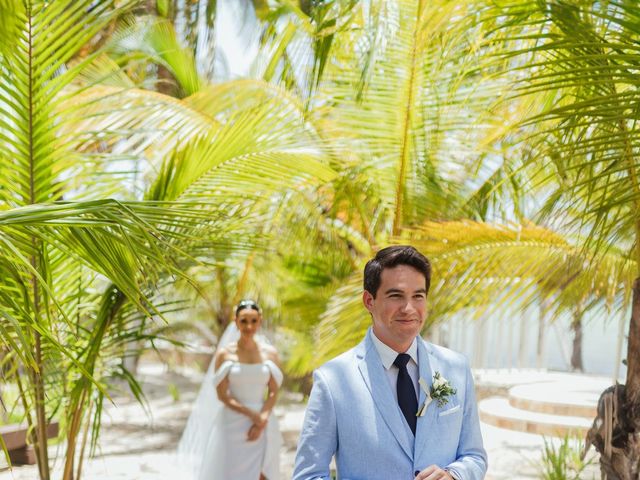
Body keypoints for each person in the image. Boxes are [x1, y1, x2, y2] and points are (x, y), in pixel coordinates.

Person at [293, 246, 488, 480]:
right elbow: (308, 475)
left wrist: (455, 475)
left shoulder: (456, 368)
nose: (409, 308)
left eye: (418, 296)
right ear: (369, 301)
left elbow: (474, 456)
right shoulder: (333, 380)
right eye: (396, 296)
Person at [178, 300, 283, 480]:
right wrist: (252, 415)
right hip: (232, 423)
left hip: (264, 422)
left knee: (263, 472)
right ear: (236, 321)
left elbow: (273, 391)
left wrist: (262, 418)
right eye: (243, 321)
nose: (248, 326)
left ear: (260, 321)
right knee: (231, 471)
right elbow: (222, 395)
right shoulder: (225, 354)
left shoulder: (270, 353)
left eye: (253, 320)